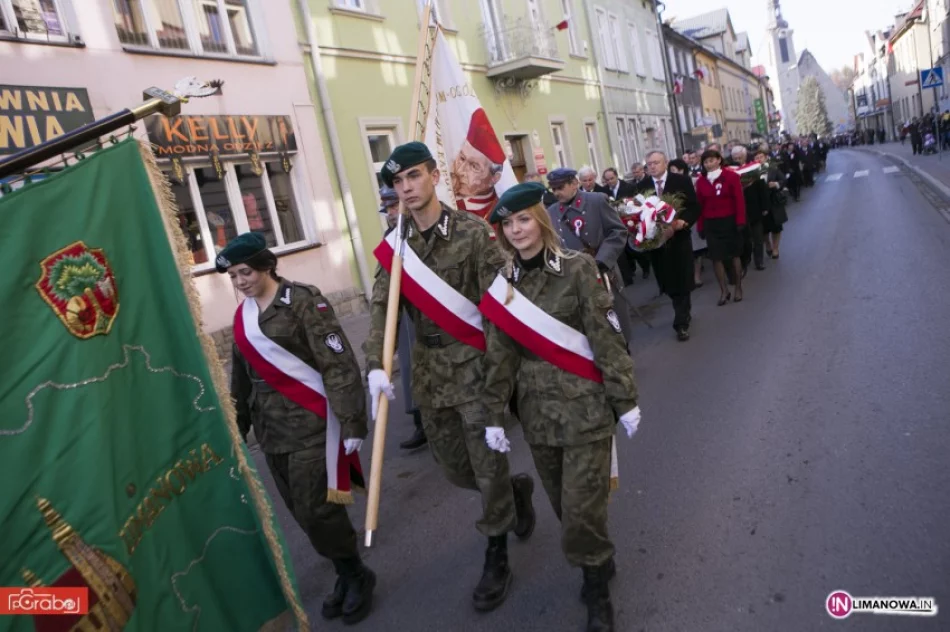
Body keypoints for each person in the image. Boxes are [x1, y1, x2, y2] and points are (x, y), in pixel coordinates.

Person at [363, 142, 536, 612]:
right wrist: (376, 363)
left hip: (477, 369)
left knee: (486, 465)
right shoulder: (396, 244)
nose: (405, 188)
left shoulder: (472, 232)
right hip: (430, 374)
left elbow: (501, 305)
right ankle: (513, 492)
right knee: (457, 469)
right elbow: (381, 307)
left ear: (435, 176)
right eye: (397, 182)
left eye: (413, 176)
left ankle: (496, 553)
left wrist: (503, 374)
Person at [480, 182, 641, 632]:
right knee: (564, 508)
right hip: (537, 415)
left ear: (541, 220)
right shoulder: (503, 285)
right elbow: (498, 357)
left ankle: (596, 589)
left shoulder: (577, 268)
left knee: (582, 508)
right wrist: (493, 415)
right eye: (507, 224)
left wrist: (625, 398)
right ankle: (597, 558)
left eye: (523, 219)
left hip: (586, 408)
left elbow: (605, 336)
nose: (516, 230)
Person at [223, 232, 376, 625]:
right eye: (234, 276)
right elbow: (240, 379)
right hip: (271, 431)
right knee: (301, 512)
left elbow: (338, 364)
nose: (240, 282)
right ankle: (344, 570)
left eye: (245, 272)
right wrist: (237, 428)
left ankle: (357, 573)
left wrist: (352, 420)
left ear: (266, 266)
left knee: (318, 509)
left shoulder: (303, 301)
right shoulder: (243, 316)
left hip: (311, 424)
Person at [546, 168, 634, 347]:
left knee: (614, 318)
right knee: (588, 324)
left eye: (560, 187)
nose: (556, 193)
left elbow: (617, 231)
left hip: (603, 270)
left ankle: (622, 350)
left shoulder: (597, 201)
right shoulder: (552, 212)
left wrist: (602, 260)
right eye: (553, 189)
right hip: (574, 277)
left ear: (574, 184)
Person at [378, 186, 428, 450]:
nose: (390, 213)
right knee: (409, 367)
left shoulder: (421, 231)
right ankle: (421, 422)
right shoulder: (390, 236)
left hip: (430, 307)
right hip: (405, 311)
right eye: (387, 208)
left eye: (394, 206)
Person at [635, 151, 700, 341]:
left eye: (656, 162)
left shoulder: (681, 181)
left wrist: (683, 222)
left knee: (682, 277)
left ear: (665, 163)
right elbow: (637, 213)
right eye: (649, 164)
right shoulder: (642, 186)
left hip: (679, 238)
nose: (653, 166)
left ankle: (681, 321)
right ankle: (682, 308)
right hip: (656, 242)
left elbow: (694, 206)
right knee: (667, 281)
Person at [694, 149, 745, 305]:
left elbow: (739, 200)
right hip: (711, 223)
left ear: (718, 160)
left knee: (734, 255)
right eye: (705, 162)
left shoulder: (731, 176)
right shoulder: (701, 182)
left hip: (729, 221)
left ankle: (738, 287)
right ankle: (724, 290)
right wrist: (700, 226)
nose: (709, 164)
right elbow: (700, 206)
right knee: (716, 258)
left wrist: (740, 221)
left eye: (711, 160)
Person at [452, 108, 506, 219]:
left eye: (474, 166)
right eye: (462, 158)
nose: (460, 171)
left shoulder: (504, 212)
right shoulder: (449, 205)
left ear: (494, 178)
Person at [730, 145, 769, 272]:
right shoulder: (730, 170)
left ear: (745, 156)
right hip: (739, 210)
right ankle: (745, 260)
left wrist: (765, 206)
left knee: (758, 237)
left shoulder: (754, 168)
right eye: (735, 157)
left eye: (739, 157)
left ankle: (759, 261)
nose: (737, 159)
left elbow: (762, 188)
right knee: (744, 238)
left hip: (754, 207)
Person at [754, 148, 788, 259]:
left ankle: (775, 248)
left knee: (776, 227)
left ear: (766, 158)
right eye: (757, 158)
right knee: (763, 229)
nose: (759, 159)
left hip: (774, 202)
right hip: (760, 204)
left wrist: (776, 184)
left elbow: (783, 180)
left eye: (761, 157)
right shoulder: (753, 172)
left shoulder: (773, 168)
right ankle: (768, 244)